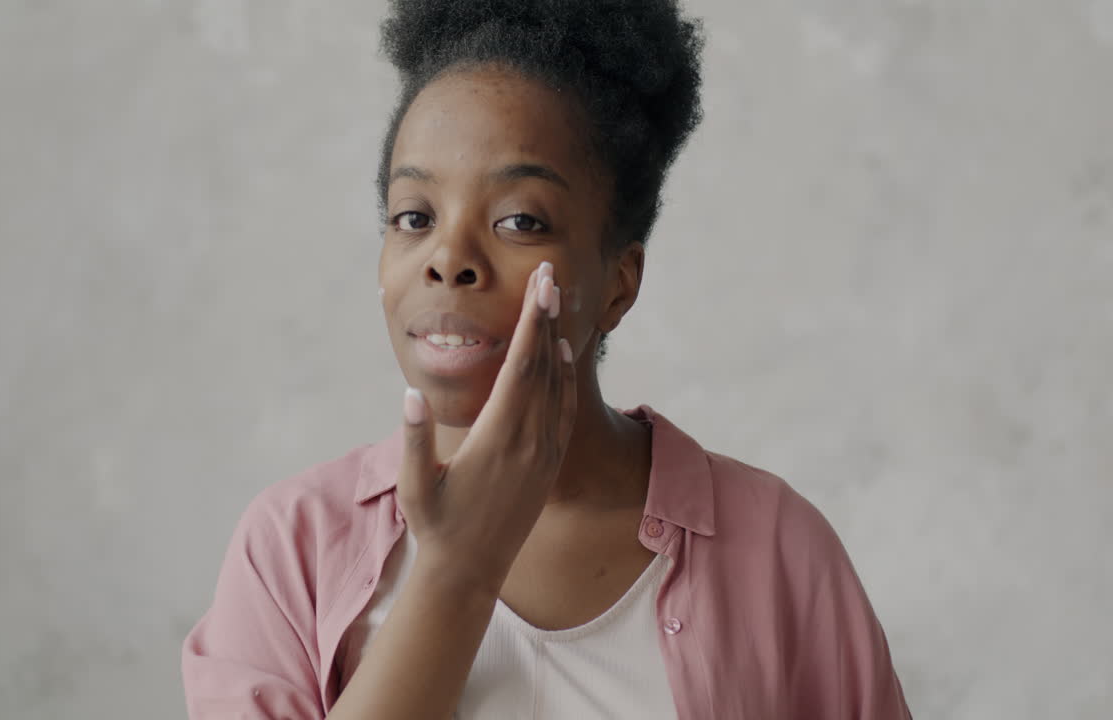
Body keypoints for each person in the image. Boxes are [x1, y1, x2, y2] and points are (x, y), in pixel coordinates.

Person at [182, 1, 912, 718]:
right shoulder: (291, 545)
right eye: (415, 216)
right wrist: (455, 568)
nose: (449, 260)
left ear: (617, 284)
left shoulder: (779, 549)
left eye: (519, 221)